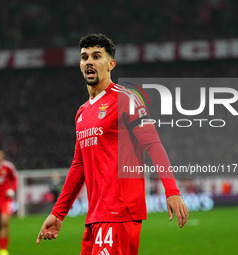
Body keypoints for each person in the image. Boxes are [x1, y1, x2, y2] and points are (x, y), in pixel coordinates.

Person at [36, 34, 189, 254]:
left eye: (96, 56)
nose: (89, 61)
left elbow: (153, 144)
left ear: (111, 64)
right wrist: (59, 213)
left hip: (120, 213)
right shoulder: (82, 112)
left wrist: (171, 191)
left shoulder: (127, 98)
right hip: (95, 216)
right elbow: (79, 165)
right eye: (84, 57)